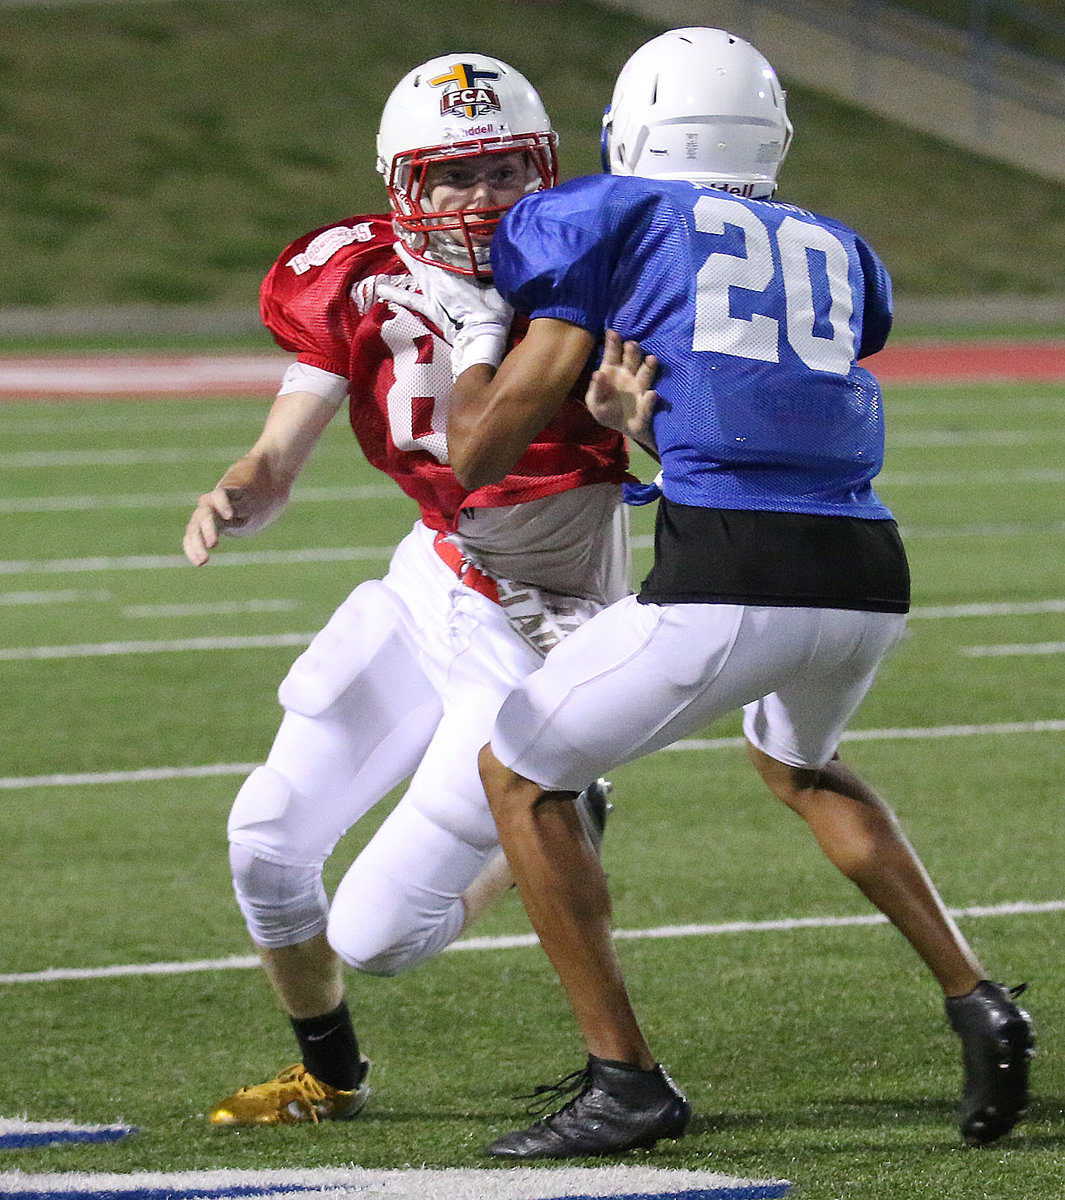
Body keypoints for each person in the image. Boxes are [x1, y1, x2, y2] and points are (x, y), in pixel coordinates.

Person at [430, 27, 1035, 1157]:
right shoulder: (838, 248)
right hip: (866, 573)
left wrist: (473, 336)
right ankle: (977, 998)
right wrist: (637, 429)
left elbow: (476, 448)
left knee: (519, 775)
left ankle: (625, 1082)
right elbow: (761, 410)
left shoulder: (607, 217)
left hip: (732, 575)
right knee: (799, 765)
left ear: (631, 131)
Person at [182, 52, 632, 1127]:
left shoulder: (591, 269)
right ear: (403, 182)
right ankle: (330, 1076)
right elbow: (277, 456)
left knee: (378, 936)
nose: (480, 200)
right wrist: (247, 486)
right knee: (265, 838)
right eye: (454, 175)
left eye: (503, 171)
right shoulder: (355, 272)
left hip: (540, 616)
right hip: (431, 576)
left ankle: (559, 810)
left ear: (545, 169)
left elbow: (675, 426)